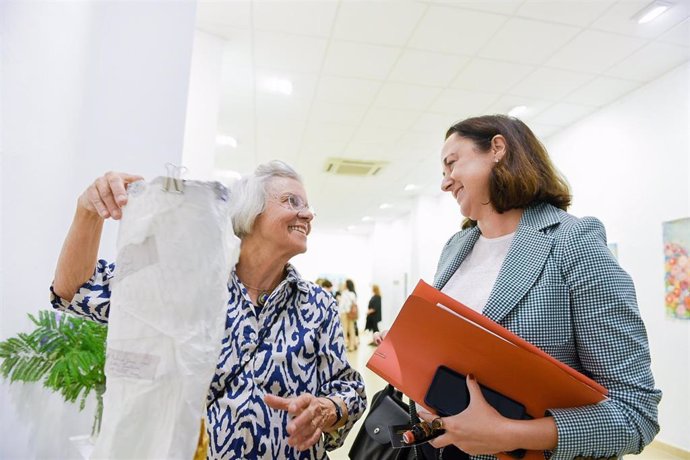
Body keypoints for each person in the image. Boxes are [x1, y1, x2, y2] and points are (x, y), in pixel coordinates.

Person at [378, 115, 661, 459]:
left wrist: (511, 433)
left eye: (451, 164)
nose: (445, 183)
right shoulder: (456, 246)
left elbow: (636, 414)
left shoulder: (573, 242)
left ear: (497, 148)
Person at [50, 161, 367, 459]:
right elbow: (73, 290)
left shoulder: (318, 304)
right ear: (251, 212)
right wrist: (88, 213)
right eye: (292, 201)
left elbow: (350, 387)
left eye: (307, 205)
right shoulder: (188, 283)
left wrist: (329, 408)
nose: (308, 214)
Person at [337, 279, 358, 352]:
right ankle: (352, 346)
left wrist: (338, 313)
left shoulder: (344, 293)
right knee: (352, 330)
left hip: (344, 313)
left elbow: (341, 305)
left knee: (344, 330)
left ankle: (343, 346)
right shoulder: (353, 293)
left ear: (346, 285)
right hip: (351, 314)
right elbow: (354, 303)